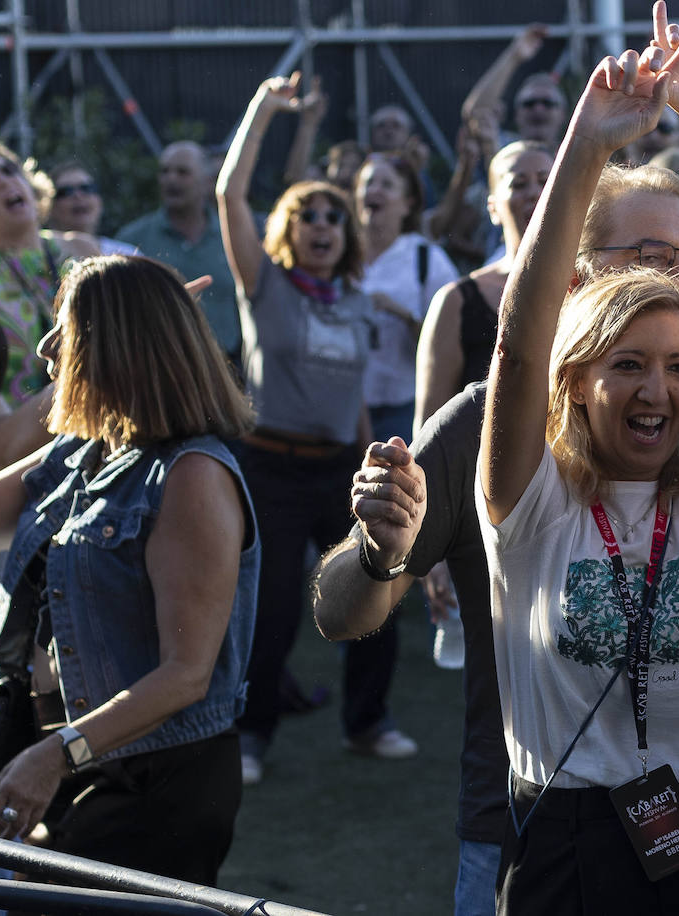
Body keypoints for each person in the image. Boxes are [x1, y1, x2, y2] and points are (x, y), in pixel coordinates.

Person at [336, 8, 679, 910]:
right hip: (575, 829)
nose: (657, 389)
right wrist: (584, 146)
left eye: (678, 366)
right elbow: (519, 347)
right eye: (627, 365)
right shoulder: (521, 475)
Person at [0, 255, 257, 884]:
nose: (47, 344)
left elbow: (185, 676)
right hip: (55, 753)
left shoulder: (192, 475)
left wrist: (57, 755)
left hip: (146, 782)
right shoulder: (88, 447)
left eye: (69, 327)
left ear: (116, 347)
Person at [218, 72, 409, 785]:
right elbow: (228, 195)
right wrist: (262, 110)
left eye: (335, 216)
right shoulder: (264, 287)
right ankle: (249, 738)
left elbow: (352, 393)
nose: (325, 225)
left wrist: (367, 461)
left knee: (374, 589)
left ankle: (368, 722)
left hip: (339, 467)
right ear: (288, 230)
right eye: (310, 216)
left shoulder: (355, 301)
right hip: (268, 468)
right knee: (268, 614)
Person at [416, 140, 552, 429]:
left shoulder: (592, 288)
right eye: (518, 184)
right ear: (492, 207)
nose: (535, 193)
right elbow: (429, 427)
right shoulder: (456, 300)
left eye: (546, 180)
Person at [0, 143, 97, 471]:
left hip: (95, 445)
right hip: (19, 462)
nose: (6, 184)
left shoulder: (80, 247)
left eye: (9, 172)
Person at [356, 152, 459, 443]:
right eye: (368, 183)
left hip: (403, 407)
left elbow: (449, 344)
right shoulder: (339, 254)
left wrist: (402, 314)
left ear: (408, 203)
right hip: (344, 409)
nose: (374, 190)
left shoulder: (427, 258)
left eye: (387, 185)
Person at [118, 141, 241, 365]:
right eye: (164, 171)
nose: (171, 179)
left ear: (207, 182)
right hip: (160, 367)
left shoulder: (232, 235)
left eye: (182, 172)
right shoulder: (132, 241)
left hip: (230, 367)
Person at [37, 162, 137, 256]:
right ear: (48, 205)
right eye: (66, 192)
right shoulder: (40, 257)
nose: (78, 195)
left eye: (86, 188)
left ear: (99, 201)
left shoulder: (127, 254)